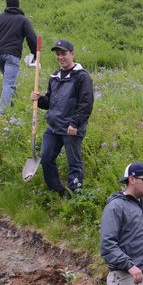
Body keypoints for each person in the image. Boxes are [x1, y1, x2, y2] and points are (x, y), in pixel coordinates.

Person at [30, 39, 93, 198]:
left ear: (72, 54)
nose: (60, 57)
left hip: (71, 128)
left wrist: (75, 123)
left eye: (64, 54)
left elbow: (86, 103)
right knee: (46, 158)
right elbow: (51, 102)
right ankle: (58, 192)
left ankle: (76, 197)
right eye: (58, 55)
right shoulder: (55, 76)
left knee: (74, 164)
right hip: (53, 127)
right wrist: (39, 99)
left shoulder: (82, 77)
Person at [0, 0, 38, 115]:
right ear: (18, 5)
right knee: (9, 83)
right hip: (12, 54)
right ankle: (2, 113)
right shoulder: (22, 20)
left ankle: (15, 108)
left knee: (9, 82)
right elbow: (32, 38)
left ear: (6, 5)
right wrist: (35, 55)